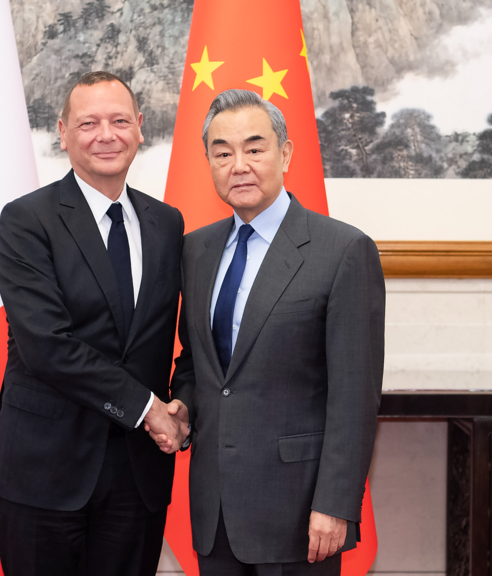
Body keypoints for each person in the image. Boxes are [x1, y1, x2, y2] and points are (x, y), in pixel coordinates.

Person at [156, 89, 384, 575]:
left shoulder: (343, 250)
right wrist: (184, 405)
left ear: (285, 153)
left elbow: (355, 396)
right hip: (215, 512)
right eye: (222, 153)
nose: (239, 165)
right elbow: (198, 362)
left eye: (254, 149)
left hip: (300, 515)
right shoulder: (195, 251)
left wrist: (336, 503)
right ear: (209, 162)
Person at [0, 71, 190, 576]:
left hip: (137, 475)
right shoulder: (27, 220)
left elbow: (186, 336)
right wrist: (149, 409)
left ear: (140, 127)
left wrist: (184, 404)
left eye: (120, 121)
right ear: (63, 132)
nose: (106, 135)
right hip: (44, 469)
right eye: (88, 123)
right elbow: (46, 345)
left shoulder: (168, 224)